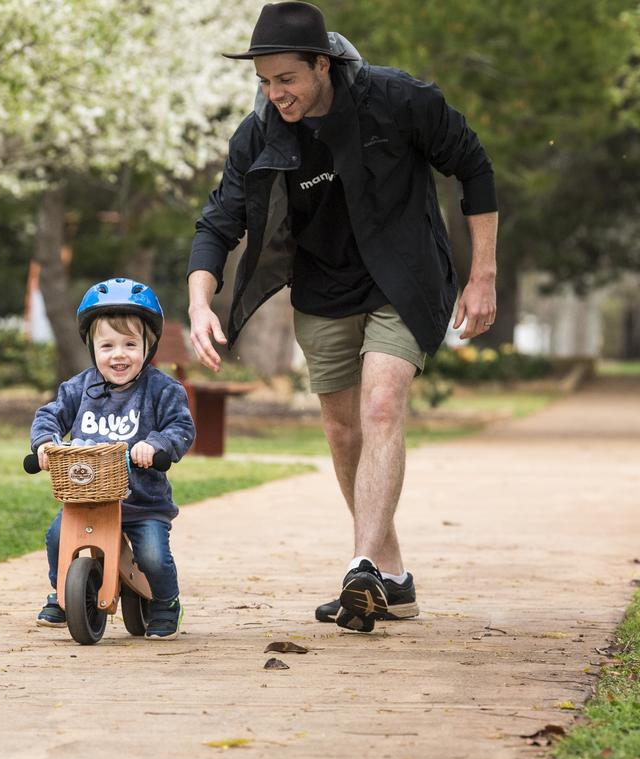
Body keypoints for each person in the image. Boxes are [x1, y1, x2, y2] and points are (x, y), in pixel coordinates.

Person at [187, 2, 498, 632]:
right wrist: (198, 301)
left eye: (288, 80)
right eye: (266, 83)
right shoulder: (261, 134)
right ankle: (392, 577)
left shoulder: (399, 100)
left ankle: (360, 565)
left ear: (321, 64)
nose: (277, 95)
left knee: (381, 406)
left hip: (404, 279)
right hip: (323, 289)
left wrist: (483, 275)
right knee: (341, 430)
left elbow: (474, 167)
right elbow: (217, 221)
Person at [30, 278, 196, 640]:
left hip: (141, 501)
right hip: (86, 497)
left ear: (148, 346)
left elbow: (181, 427)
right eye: (107, 345)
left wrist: (156, 445)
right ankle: (62, 595)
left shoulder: (162, 390)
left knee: (152, 553)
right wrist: (44, 444)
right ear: (92, 346)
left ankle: (166, 602)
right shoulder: (78, 388)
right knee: (57, 537)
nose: (118, 355)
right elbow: (49, 416)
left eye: (130, 344)